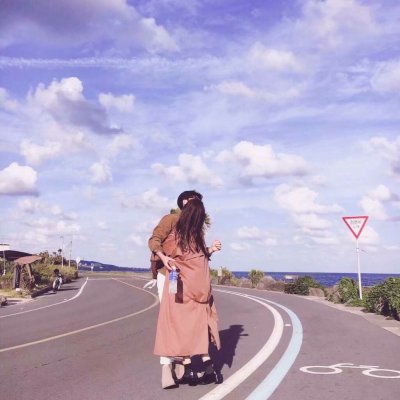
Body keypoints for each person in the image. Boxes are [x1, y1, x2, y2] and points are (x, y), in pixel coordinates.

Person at [153, 198, 222, 388]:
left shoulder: (179, 235)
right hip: (201, 287)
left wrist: (163, 257)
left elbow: (166, 249)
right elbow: (198, 256)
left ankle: (187, 369)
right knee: (199, 326)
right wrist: (210, 250)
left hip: (182, 286)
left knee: (177, 325)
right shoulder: (195, 235)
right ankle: (208, 367)